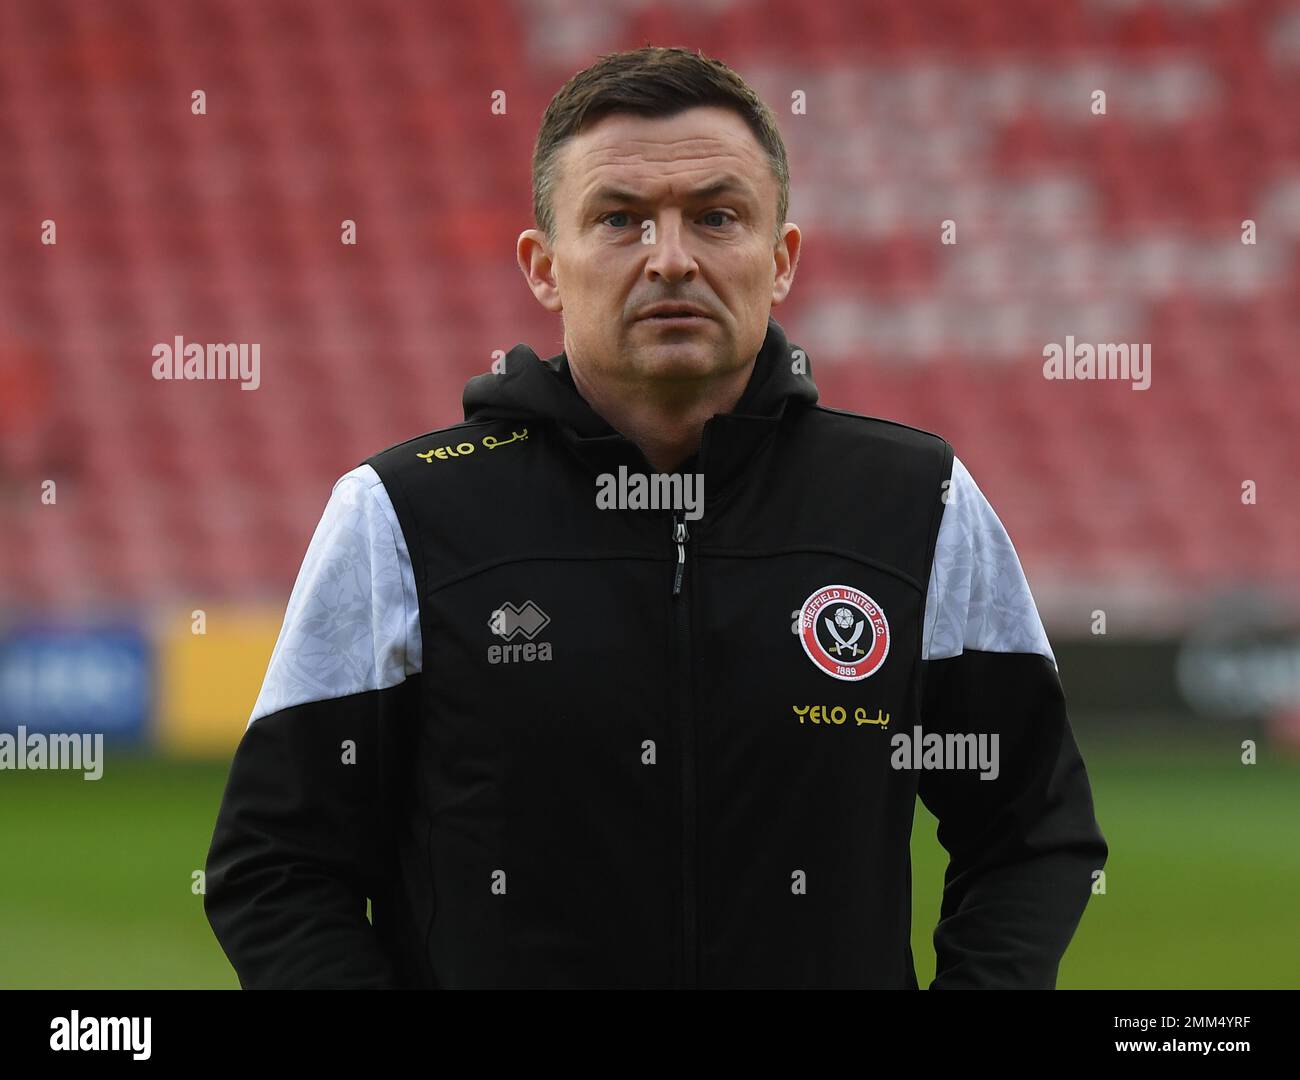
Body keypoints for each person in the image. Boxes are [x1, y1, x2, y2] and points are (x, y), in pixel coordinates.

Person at [204, 45, 1107, 989]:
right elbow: (276, 867)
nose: (671, 259)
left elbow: (1032, 832)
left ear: (781, 256)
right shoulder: (402, 515)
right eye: (620, 219)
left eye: (716, 217)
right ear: (545, 267)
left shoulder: (916, 503)